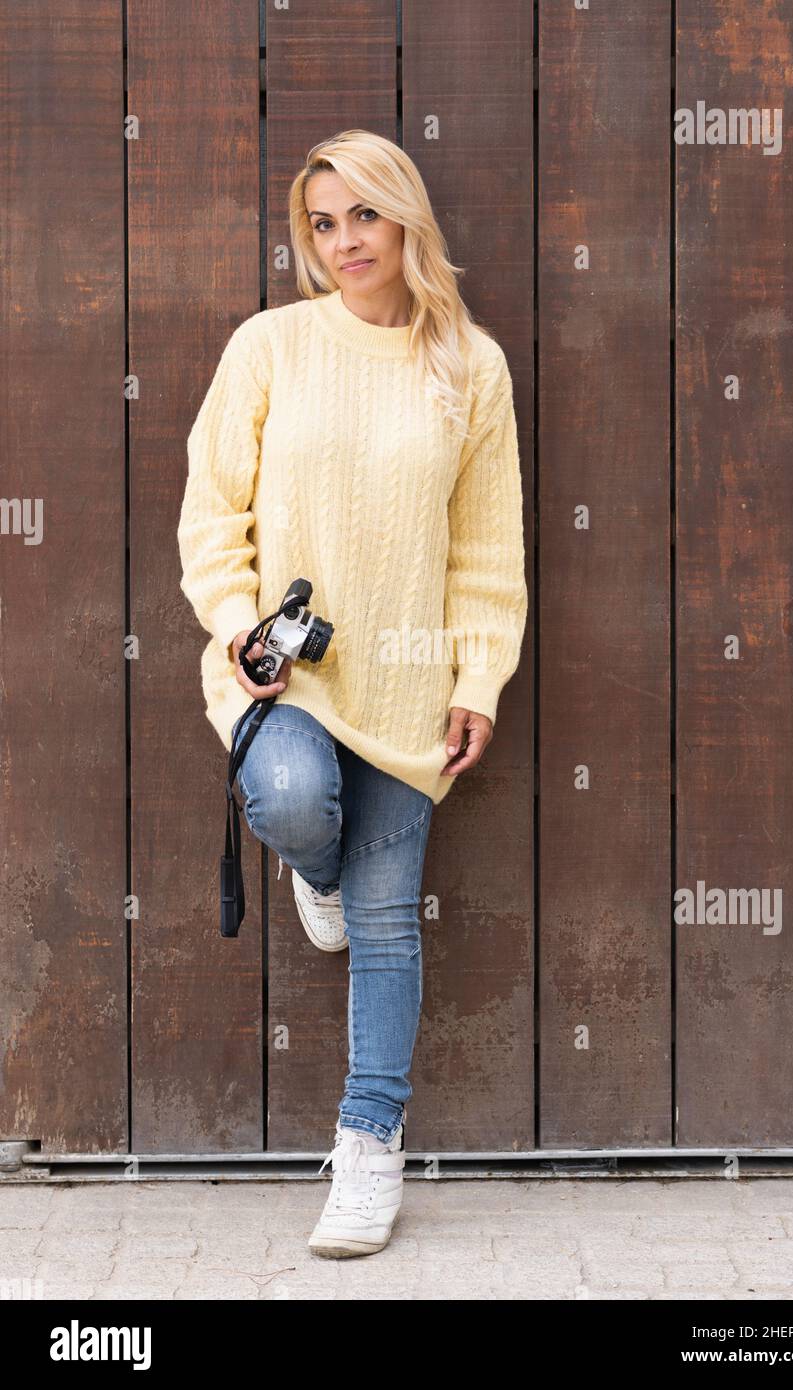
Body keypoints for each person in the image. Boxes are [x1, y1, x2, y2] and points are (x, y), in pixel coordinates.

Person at [177, 129, 527, 1258]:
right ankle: (311, 875)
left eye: (362, 217)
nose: (342, 243)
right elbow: (210, 516)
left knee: (387, 926)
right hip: (284, 676)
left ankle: (369, 1149)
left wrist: (477, 677)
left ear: (404, 217)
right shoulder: (269, 346)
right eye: (321, 224)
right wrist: (238, 631)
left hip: (410, 683)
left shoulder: (467, 365)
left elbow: (484, 551)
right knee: (286, 802)